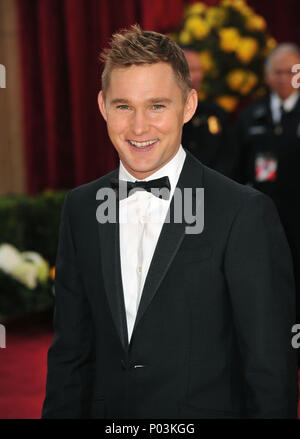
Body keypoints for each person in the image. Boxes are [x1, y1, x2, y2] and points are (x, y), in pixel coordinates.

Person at [42, 26, 298, 419]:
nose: (139, 127)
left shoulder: (244, 212)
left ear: (189, 105)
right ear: (102, 106)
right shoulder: (80, 208)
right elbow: (69, 356)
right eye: (124, 105)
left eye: (157, 105)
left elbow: (270, 368)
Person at [235, 43, 300, 365]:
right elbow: (237, 168)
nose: (286, 78)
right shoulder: (250, 116)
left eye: (293, 71)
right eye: (278, 71)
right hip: (265, 219)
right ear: (266, 76)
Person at [182, 48, 236, 179]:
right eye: (188, 69)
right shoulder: (161, 113)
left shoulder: (217, 113)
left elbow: (229, 157)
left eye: (197, 70)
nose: (194, 76)